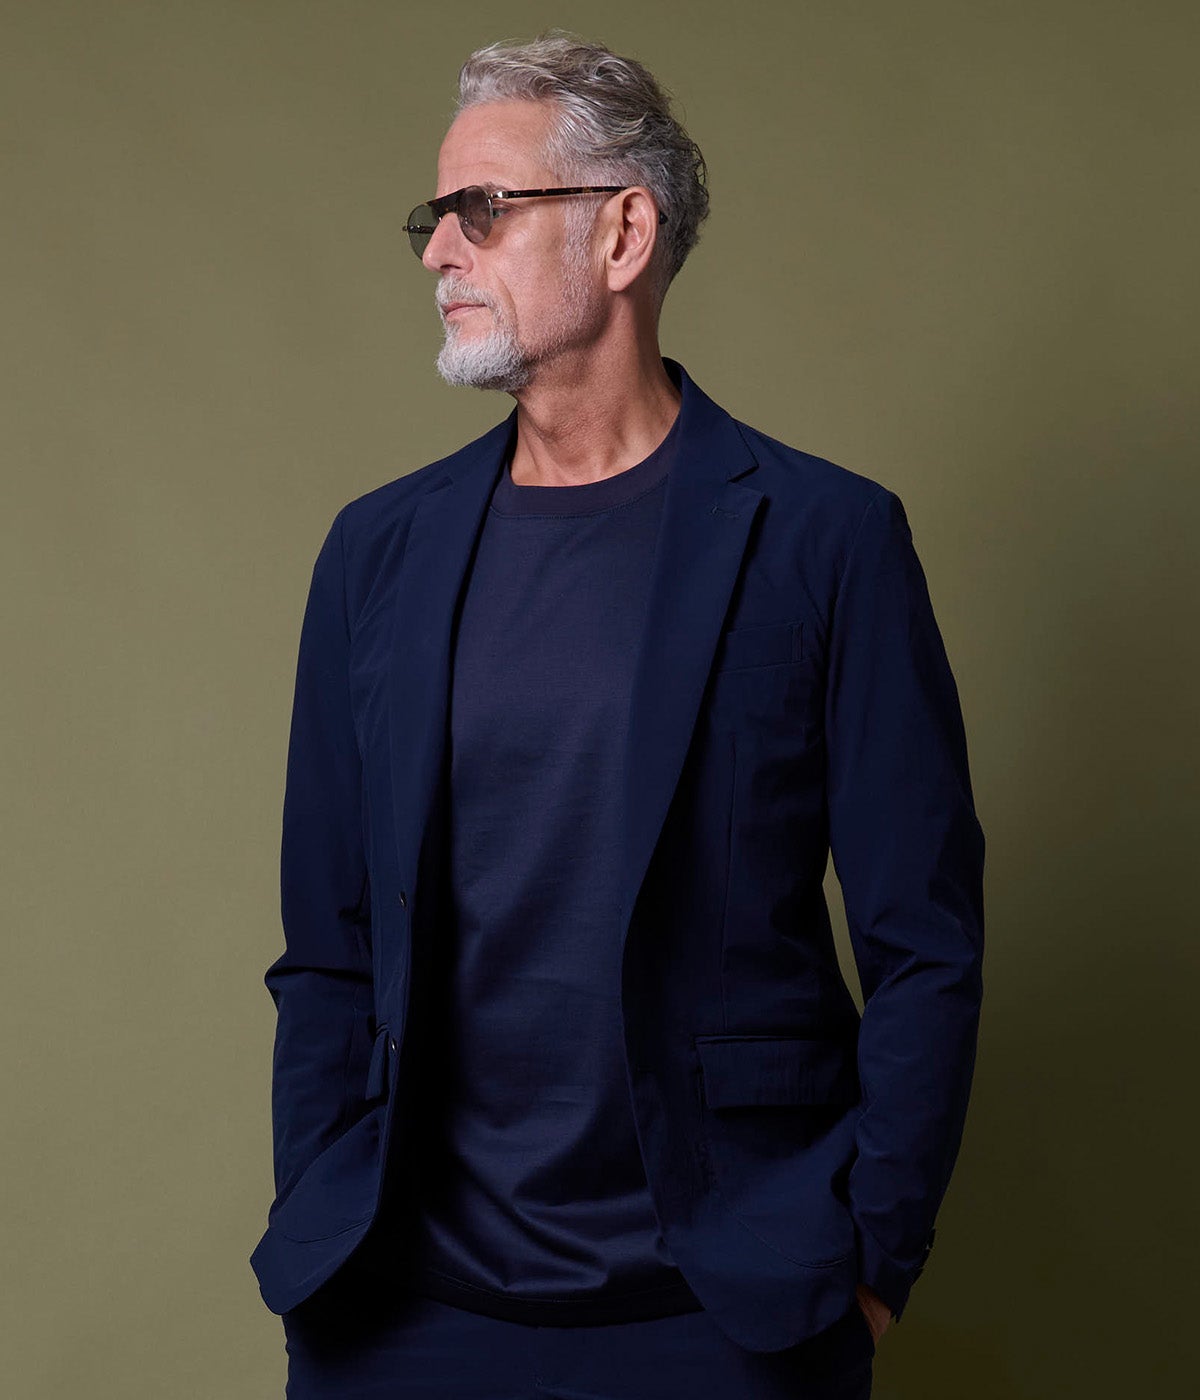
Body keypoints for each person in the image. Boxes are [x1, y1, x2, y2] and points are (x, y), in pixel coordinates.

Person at [250, 31, 985, 1400]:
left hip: (723, 1314)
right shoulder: (377, 553)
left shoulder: (826, 540)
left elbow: (925, 943)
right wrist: (321, 1202)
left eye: (481, 210)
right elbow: (329, 946)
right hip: (402, 1311)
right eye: (434, 218)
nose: (438, 252)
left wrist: (873, 1261)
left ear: (623, 233)